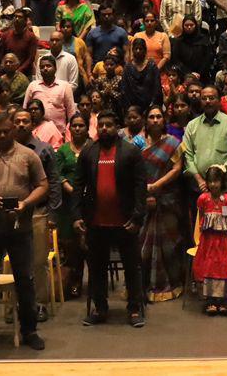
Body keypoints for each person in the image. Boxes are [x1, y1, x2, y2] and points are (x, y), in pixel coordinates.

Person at [0, 112, 48, 350]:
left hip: (20, 228)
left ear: (14, 129)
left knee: (25, 280)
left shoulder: (28, 155)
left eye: (6, 131)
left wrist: (26, 204)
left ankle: (29, 330)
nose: (2, 135)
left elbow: (43, 186)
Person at [76, 107, 147, 327]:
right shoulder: (89, 152)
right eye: (101, 126)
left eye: (109, 125)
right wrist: (77, 215)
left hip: (125, 221)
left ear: (117, 127)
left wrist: (137, 217)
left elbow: (140, 187)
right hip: (96, 222)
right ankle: (100, 308)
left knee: (132, 267)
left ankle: (135, 309)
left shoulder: (131, 151)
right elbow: (78, 185)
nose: (105, 129)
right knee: (97, 268)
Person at [139, 105, 185, 303]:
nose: (155, 120)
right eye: (151, 117)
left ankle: (172, 284)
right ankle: (142, 286)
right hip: (143, 200)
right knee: (143, 245)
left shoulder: (173, 143)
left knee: (169, 244)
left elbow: (177, 168)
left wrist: (156, 186)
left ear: (163, 120)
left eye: (159, 117)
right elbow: (132, 170)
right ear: (146, 121)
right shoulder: (137, 144)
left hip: (167, 200)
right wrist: (145, 191)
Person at [191, 164, 227, 316]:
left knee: (224, 267)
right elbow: (201, 218)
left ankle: (224, 301)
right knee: (209, 267)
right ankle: (211, 301)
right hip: (208, 241)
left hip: (224, 242)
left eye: (216, 181)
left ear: (222, 181)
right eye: (210, 181)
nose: (213, 184)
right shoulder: (202, 199)